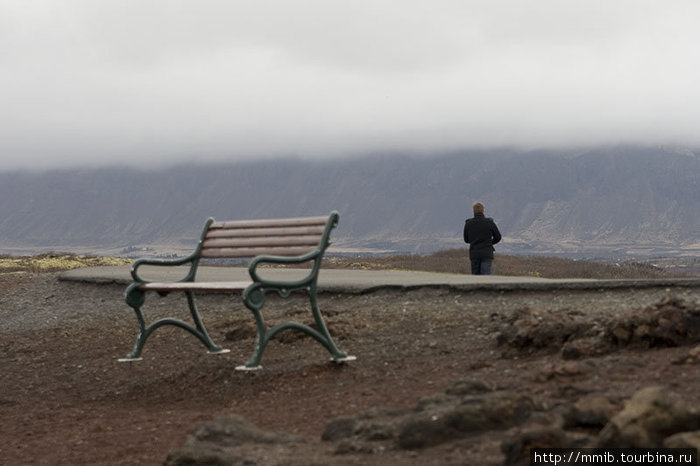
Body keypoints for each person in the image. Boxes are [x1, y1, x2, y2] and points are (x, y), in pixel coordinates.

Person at [463, 202, 502, 275]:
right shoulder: (489, 223)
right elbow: (498, 237)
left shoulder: (468, 223)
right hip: (487, 253)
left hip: (474, 253)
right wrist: (490, 242)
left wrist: (474, 241)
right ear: (483, 211)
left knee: (475, 279)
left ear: (473, 211)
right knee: (485, 278)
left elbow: (466, 239)